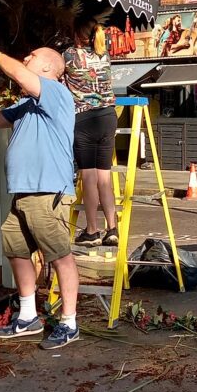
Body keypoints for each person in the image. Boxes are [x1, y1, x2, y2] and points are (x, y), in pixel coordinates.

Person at [0, 47, 81, 350]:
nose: (25, 58)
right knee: (16, 249)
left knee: (60, 256)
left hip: (48, 190)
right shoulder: (26, 103)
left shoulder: (56, 93)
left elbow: (19, 73)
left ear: (48, 66)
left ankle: (69, 323)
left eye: (31, 56)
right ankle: (27, 316)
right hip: (23, 192)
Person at [62, 18, 119, 247]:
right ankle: (112, 228)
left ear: (76, 34)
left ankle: (92, 230)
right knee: (104, 176)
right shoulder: (105, 55)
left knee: (88, 176)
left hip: (83, 118)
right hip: (107, 116)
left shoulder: (68, 56)